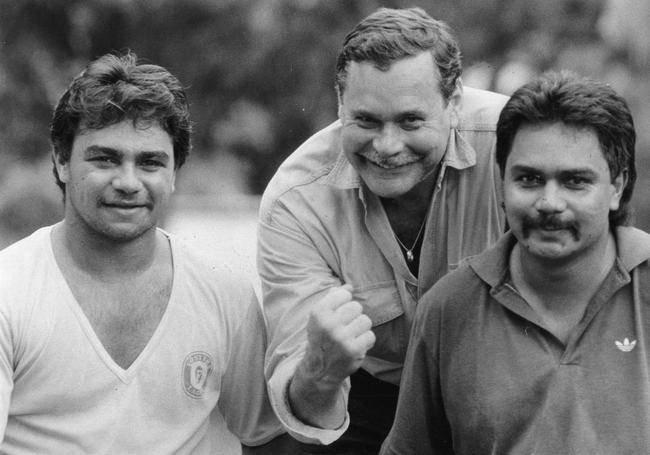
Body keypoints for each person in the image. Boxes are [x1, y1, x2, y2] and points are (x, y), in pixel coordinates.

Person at [0, 51, 284, 454]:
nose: (128, 182)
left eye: (150, 162)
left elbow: (264, 437)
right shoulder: (10, 291)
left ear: (173, 174)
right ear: (62, 161)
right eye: (105, 158)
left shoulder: (226, 296)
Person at [257, 7, 509, 453]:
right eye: (366, 121)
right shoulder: (295, 203)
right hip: (372, 392)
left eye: (411, 121)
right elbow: (307, 412)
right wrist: (321, 368)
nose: (387, 147)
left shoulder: (513, 145)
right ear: (339, 103)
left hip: (502, 380)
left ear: (453, 103)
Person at [381, 70, 647, 454]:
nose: (549, 203)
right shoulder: (449, 309)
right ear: (502, 182)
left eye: (575, 181)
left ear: (617, 188)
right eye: (529, 179)